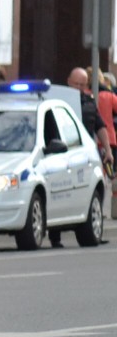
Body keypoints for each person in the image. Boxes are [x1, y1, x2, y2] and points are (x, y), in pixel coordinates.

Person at [53, 67, 115, 246]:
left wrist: (108, 150)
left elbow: (100, 126)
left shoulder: (88, 102)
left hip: (86, 155)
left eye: (83, 84)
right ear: (68, 82)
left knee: (94, 193)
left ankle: (94, 232)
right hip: (63, 154)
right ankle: (55, 238)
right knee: (63, 193)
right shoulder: (58, 102)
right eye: (76, 84)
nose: (79, 88)